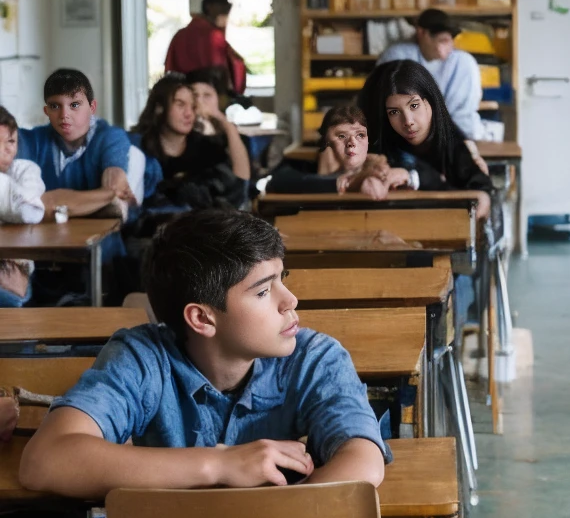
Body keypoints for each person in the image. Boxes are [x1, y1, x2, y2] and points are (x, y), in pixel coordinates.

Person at [18, 209, 389, 497]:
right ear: (202, 318)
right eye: (263, 291)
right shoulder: (142, 358)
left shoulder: (314, 357)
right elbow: (45, 461)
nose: (289, 301)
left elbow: (363, 461)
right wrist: (219, 465)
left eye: (282, 279)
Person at [360, 61, 492, 221]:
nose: (407, 121)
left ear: (430, 103)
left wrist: (412, 177)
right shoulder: (377, 145)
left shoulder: (452, 143)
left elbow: (481, 197)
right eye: (394, 112)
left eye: (414, 106)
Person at [17, 68, 136, 222]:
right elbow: (29, 204)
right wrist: (104, 199)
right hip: (44, 242)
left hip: (100, 243)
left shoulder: (110, 137)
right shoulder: (33, 140)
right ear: (46, 111)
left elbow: (116, 188)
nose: (64, 115)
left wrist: (51, 206)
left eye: (74, 105)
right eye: (55, 106)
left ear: (92, 108)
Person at [134, 76, 248, 210]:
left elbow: (239, 184)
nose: (188, 113)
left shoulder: (205, 147)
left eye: (193, 107)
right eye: (180, 105)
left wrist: (226, 124)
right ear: (159, 108)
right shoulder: (138, 148)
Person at [378, 8, 484, 139]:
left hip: (455, 136)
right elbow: (390, 106)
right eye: (441, 40)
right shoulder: (397, 56)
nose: (447, 48)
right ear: (421, 33)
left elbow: (463, 114)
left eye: (449, 41)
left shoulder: (463, 62)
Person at [266, 103, 404, 198]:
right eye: (340, 136)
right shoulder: (300, 168)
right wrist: (346, 183)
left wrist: (402, 174)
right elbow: (277, 182)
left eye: (359, 136)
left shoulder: (375, 167)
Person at [0, 104, 45, 310]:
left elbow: (28, 210)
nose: (7, 149)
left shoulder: (25, 171)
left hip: (12, 270)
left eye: (11, 140)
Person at [164, 0, 247, 98]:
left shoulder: (180, 35)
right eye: (223, 6)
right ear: (210, 7)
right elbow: (228, 69)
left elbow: (169, 71)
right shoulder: (213, 35)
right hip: (210, 95)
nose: (227, 11)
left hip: (182, 97)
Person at [186, 67, 251, 182]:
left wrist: (224, 122)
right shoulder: (184, 132)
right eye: (195, 95)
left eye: (207, 95)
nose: (200, 101)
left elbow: (243, 177)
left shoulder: (229, 131)